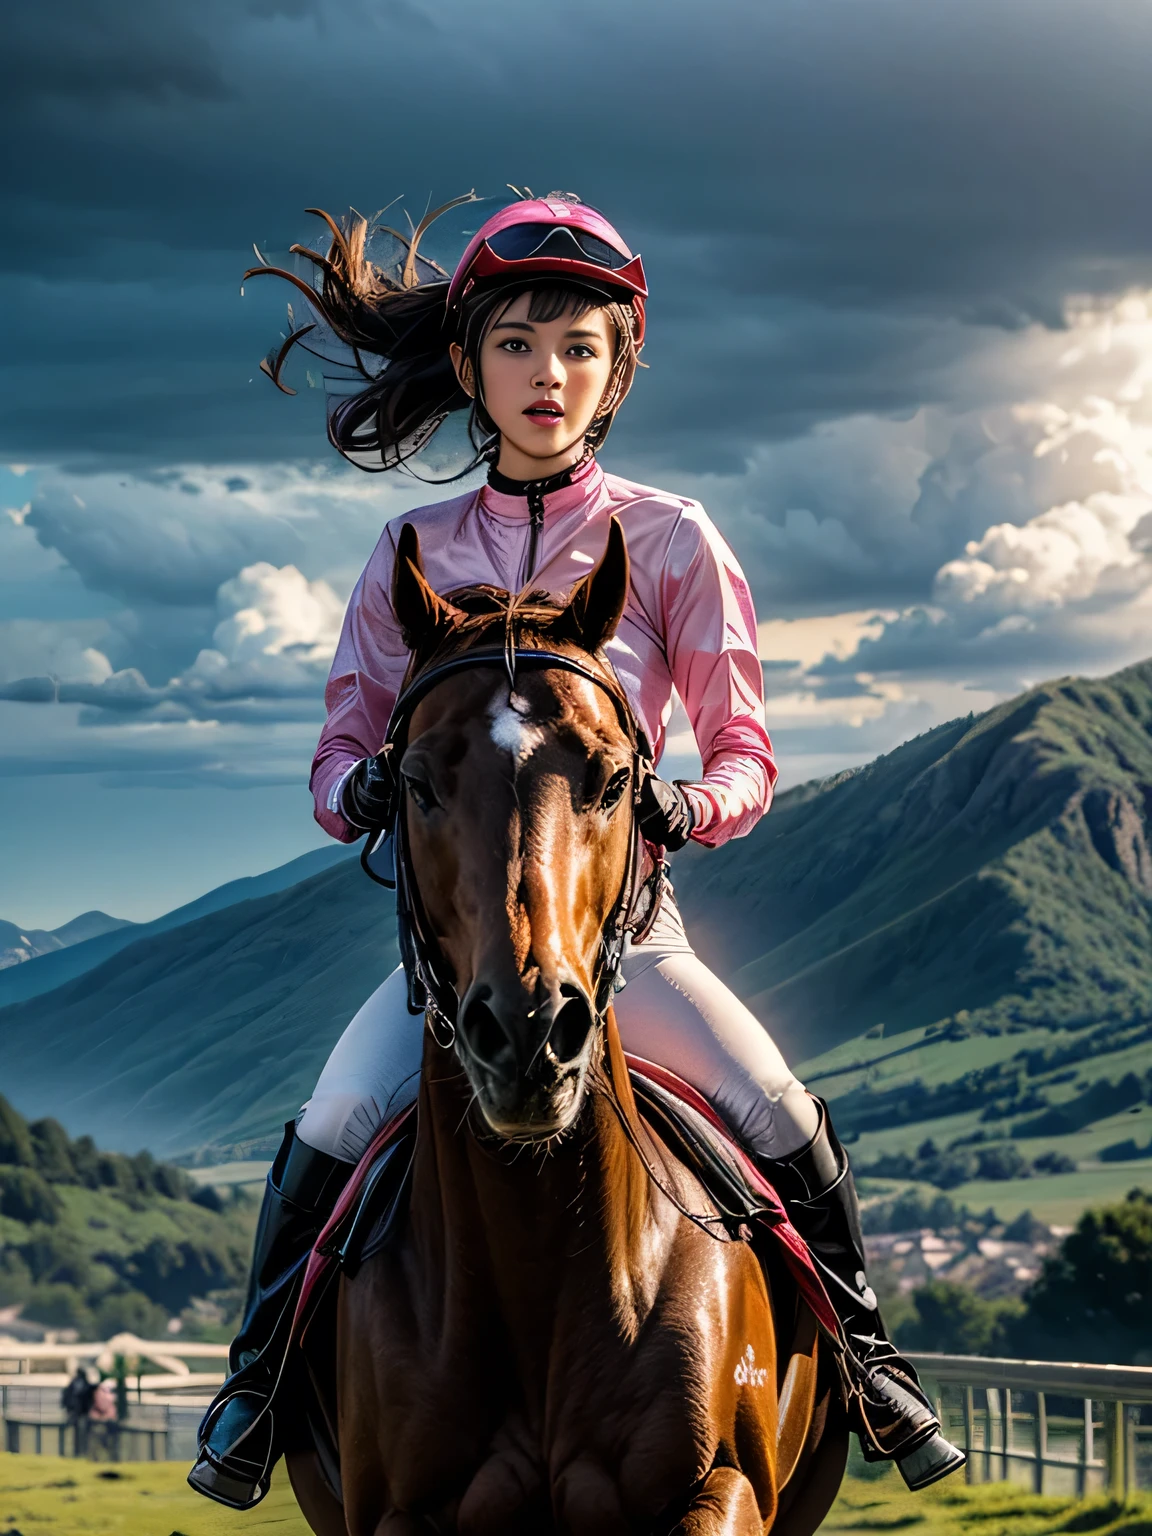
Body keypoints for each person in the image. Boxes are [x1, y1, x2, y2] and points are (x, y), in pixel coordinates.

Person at [190, 192, 963, 1508]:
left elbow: (744, 753)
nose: (547, 375)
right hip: (453, 957)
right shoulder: (408, 553)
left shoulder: (672, 540)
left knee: (776, 1111)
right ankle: (257, 1387)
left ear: (618, 372)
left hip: (629, 944)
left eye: (581, 348)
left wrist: (680, 806)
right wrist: (370, 785)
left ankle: (871, 1366)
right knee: (329, 1124)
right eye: (515, 346)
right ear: (469, 362)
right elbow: (331, 764)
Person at [61, 1365, 94, 1457]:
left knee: (80, 1433)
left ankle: (80, 1451)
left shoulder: (75, 1383)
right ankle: (80, 1451)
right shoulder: (80, 1383)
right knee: (80, 1433)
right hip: (79, 1412)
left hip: (79, 1412)